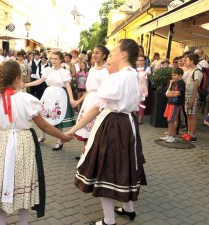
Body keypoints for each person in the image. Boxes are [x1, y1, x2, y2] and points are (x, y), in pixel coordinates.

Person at [0, 60, 73, 225]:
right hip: (23, 144)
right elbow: (43, 125)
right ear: (17, 78)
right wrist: (63, 136)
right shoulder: (27, 99)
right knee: (22, 184)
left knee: (1, 185)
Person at [66, 38, 145, 225]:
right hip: (129, 124)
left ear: (123, 54)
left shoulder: (116, 78)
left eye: (115, 50)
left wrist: (73, 129)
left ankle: (109, 221)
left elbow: (95, 108)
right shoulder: (135, 74)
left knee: (106, 170)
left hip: (113, 124)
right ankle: (128, 209)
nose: (113, 52)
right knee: (125, 166)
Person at [25, 51, 76, 151]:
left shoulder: (64, 72)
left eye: (56, 59)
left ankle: (59, 141)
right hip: (48, 95)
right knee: (43, 116)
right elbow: (39, 81)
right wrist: (25, 84)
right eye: (52, 58)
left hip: (59, 95)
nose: (53, 60)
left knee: (58, 117)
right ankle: (42, 136)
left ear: (61, 60)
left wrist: (71, 98)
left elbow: (68, 86)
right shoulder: (47, 70)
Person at [73, 45, 109, 158]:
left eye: (97, 52)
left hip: (100, 101)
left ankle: (95, 154)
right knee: (86, 127)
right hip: (89, 100)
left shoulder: (107, 70)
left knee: (96, 128)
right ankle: (85, 152)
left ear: (104, 55)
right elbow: (88, 89)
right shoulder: (92, 69)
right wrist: (78, 101)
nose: (94, 55)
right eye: (93, 52)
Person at [180, 53, 203, 142]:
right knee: (189, 115)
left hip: (192, 97)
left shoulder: (197, 71)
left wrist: (192, 100)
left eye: (187, 60)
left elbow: (196, 87)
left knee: (192, 116)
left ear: (192, 61)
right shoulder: (191, 70)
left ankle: (193, 135)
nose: (185, 61)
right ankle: (189, 133)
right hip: (188, 96)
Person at [160, 68, 185, 143]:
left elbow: (177, 94)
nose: (173, 76)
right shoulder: (174, 82)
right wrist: (171, 91)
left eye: (175, 75)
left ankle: (173, 136)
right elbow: (168, 92)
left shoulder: (181, 83)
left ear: (180, 75)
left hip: (176, 104)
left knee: (171, 120)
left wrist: (171, 94)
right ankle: (170, 135)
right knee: (168, 119)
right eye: (173, 75)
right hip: (170, 102)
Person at [136, 55, 150, 124]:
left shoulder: (147, 68)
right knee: (134, 102)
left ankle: (140, 119)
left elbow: (146, 76)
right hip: (135, 87)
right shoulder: (134, 68)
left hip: (143, 88)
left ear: (145, 61)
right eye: (139, 60)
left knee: (141, 103)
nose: (140, 62)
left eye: (142, 60)